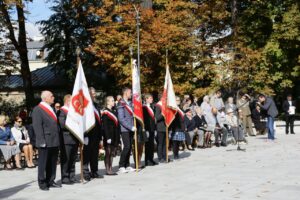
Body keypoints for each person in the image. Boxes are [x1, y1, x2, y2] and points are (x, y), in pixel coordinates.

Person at [32, 90, 61, 190]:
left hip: (54, 140)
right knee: (43, 163)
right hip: (45, 140)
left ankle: (50, 180)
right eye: (51, 96)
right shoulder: (38, 109)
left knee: (53, 163)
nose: (53, 97)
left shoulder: (51, 108)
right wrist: (41, 141)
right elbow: (37, 127)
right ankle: (42, 182)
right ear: (45, 98)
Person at [58, 94, 80, 184]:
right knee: (66, 159)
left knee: (73, 159)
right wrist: (74, 125)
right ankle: (65, 177)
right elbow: (62, 124)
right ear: (67, 101)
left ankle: (72, 175)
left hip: (74, 138)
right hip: (66, 139)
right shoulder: (62, 111)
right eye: (72, 101)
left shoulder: (73, 112)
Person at [83, 87, 103, 181]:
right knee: (87, 154)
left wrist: (100, 135)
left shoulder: (95, 105)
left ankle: (94, 171)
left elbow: (99, 120)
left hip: (96, 133)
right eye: (93, 92)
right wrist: (84, 135)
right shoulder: (85, 105)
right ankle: (85, 172)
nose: (94, 94)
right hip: (88, 133)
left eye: (94, 92)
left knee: (95, 154)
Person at [117, 87, 136, 173]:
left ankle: (127, 165)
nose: (131, 94)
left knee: (130, 147)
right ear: (125, 93)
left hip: (131, 128)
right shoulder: (121, 103)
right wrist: (130, 126)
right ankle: (121, 165)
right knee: (127, 146)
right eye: (130, 93)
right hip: (125, 129)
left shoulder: (130, 103)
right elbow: (121, 118)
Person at [102, 96, 120, 175]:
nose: (113, 102)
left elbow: (117, 124)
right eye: (112, 101)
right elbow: (105, 125)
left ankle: (110, 168)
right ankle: (107, 169)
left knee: (112, 152)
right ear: (108, 102)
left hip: (115, 134)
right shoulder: (105, 112)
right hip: (108, 135)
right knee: (108, 152)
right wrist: (107, 137)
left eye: (113, 101)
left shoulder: (114, 111)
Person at [143, 94, 158, 166]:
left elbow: (153, 119)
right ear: (146, 99)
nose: (152, 99)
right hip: (148, 129)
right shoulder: (144, 108)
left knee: (151, 145)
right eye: (150, 98)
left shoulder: (152, 107)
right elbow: (145, 120)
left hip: (152, 128)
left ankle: (151, 159)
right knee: (148, 145)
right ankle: (147, 160)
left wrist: (154, 128)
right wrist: (146, 130)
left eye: (152, 98)